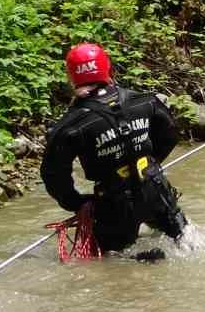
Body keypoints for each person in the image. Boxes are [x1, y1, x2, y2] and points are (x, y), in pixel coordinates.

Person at [41, 43, 187, 258]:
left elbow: (53, 175)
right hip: (156, 190)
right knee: (185, 241)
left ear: (72, 78)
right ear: (109, 69)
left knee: (111, 262)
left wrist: (77, 203)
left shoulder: (72, 125)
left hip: (114, 203)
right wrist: (150, 163)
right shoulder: (144, 101)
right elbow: (170, 134)